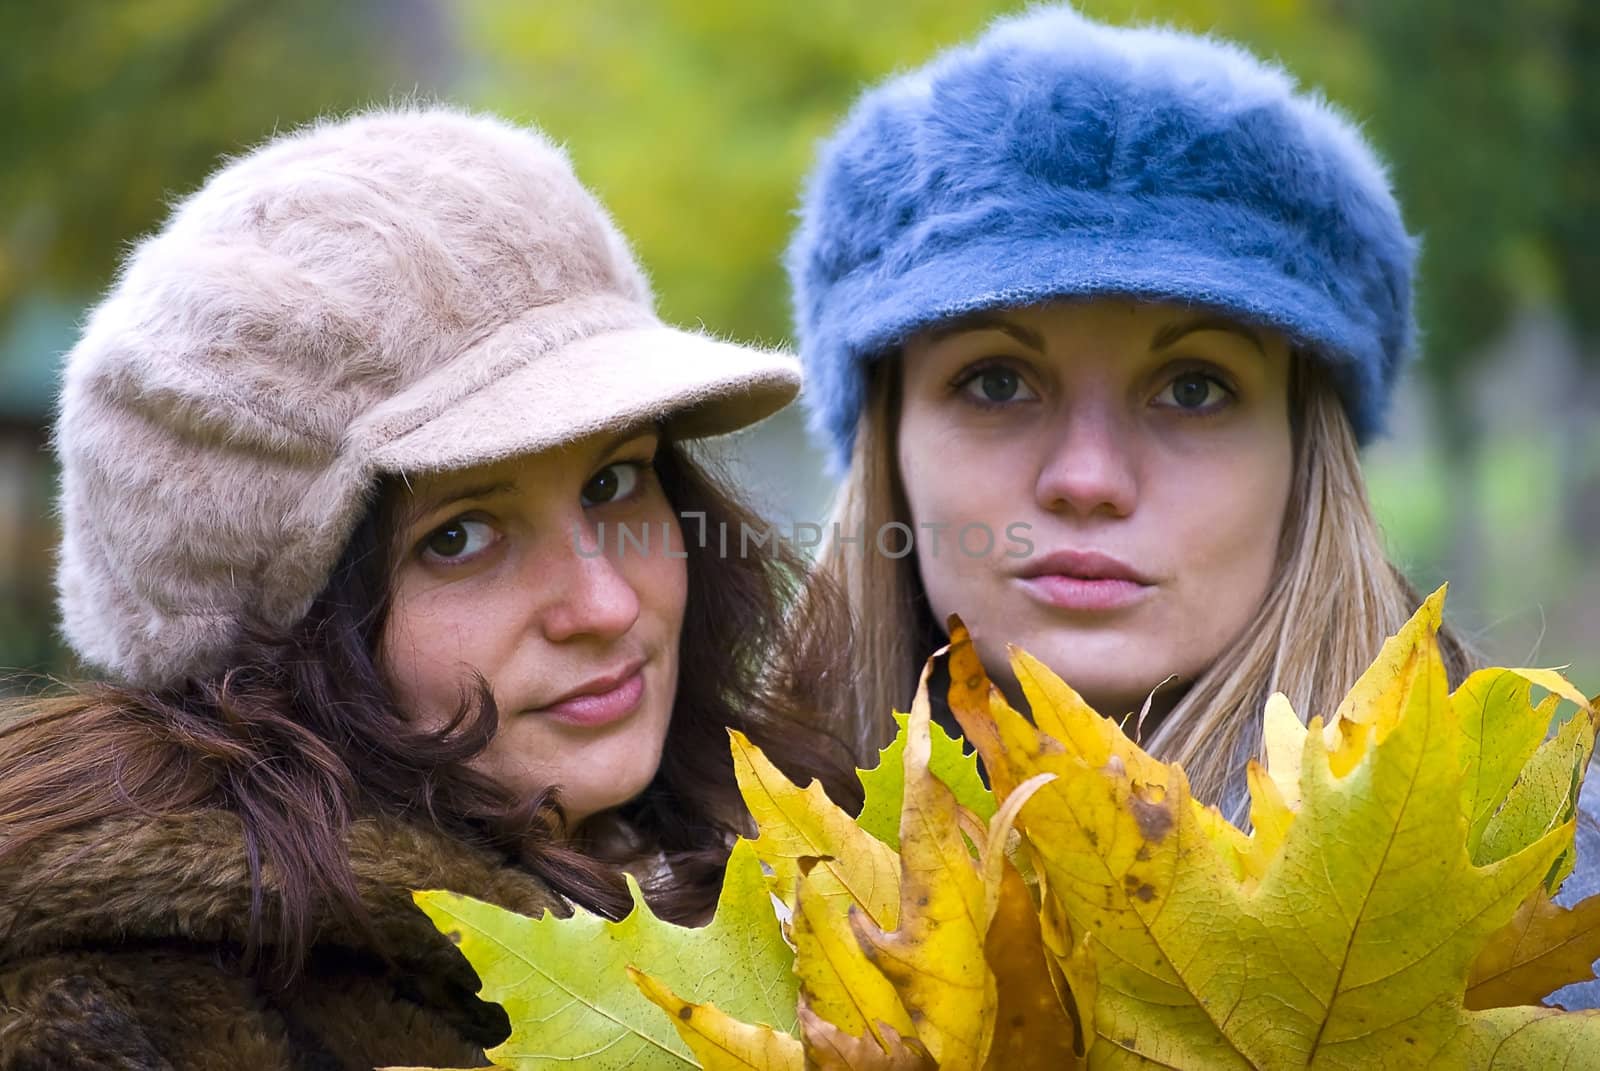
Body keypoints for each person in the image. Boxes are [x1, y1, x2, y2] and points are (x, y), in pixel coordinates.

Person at [0, 105, 855, 1068]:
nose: (607, 604)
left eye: (615, 480)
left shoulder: (821, 869)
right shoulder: (140, 1022)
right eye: (461, 536)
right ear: (272, 649)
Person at [784, 5, 1599, 1007]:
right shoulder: (705, 898)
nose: (1087, 478)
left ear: (1306, 459)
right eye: (996, 382)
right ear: (887, 441)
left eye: (1194, 387)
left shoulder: (1547, 894)